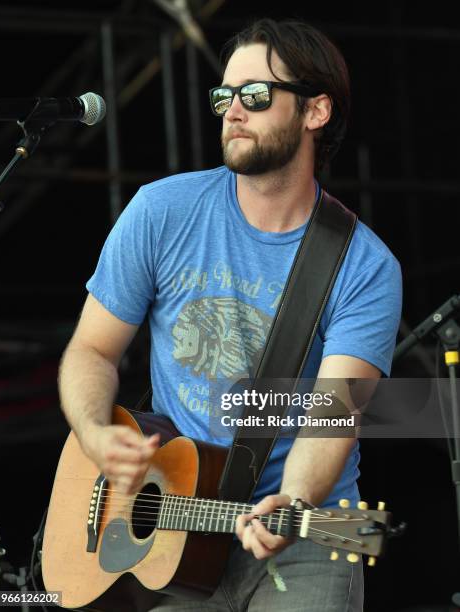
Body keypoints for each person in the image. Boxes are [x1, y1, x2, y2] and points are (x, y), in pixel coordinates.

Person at [58, 17, 402, 612]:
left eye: (256, 95)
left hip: (302, 534)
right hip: (174, 528)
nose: (231, 111)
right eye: (225, 96)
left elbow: (333, 416)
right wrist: (94, 432)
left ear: (315, 112)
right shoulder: (162, 211)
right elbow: (91, 350)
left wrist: (293, 498)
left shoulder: (365, 266)